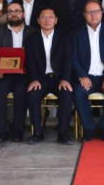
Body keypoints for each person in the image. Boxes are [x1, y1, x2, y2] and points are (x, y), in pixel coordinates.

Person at [72, 0, 104, 142]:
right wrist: (82, 76)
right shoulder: (76, 33)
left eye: (96, 11)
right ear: (84, 15)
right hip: (87, 76)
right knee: (79, 92)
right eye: (89, 12)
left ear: (102, 13)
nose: (93, 15)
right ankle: (89, 129)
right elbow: (73, 58)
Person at [24, 8, 74, 144]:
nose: (47, 20)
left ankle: (63, 133)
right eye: (44, 17)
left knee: (66, 94)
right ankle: (37, 132)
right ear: (38, 20)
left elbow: (68, 61)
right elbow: (29, 62)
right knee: (32, 94)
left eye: (50, 17)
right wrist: (34, 79)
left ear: (56, 20)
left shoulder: (64, 38)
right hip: (40, 78)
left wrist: (65, 79)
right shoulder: (31, 39)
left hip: (59, 78)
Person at [0, 2, 33, 142]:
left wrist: (30, 71)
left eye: (17, 11)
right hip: (3, 75)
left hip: (24, 75)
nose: (14, 14)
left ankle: (18, 131)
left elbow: (36, 57)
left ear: (23, 14)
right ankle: (2, 131)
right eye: (11, 11)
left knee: (21, 93)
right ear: (7, 15)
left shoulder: (32, 32)